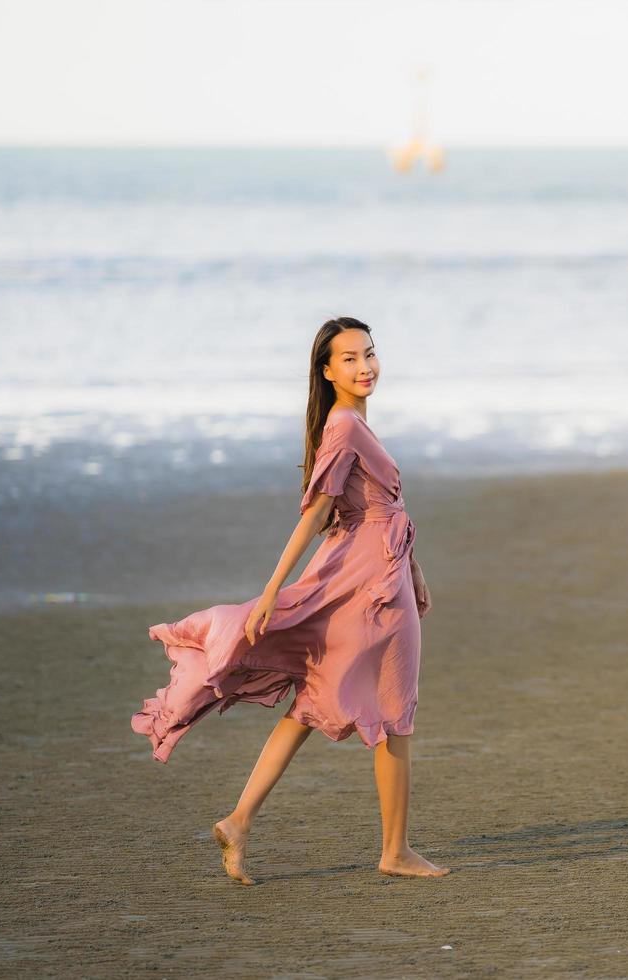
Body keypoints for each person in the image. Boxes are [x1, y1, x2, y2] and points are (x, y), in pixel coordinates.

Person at [130, 316, 448, 883]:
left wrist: (415, 567)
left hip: (375, 572)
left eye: (369, 353)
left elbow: (373, 508)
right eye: (348, 358)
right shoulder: (345, 426)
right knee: (396, 711)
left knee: (312, 701)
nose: (365, 366)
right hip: (373, 587)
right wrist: (273, 588)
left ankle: (239, 820)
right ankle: (394, 852)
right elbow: (318, 513)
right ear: (327, 372)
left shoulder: (352, 423)